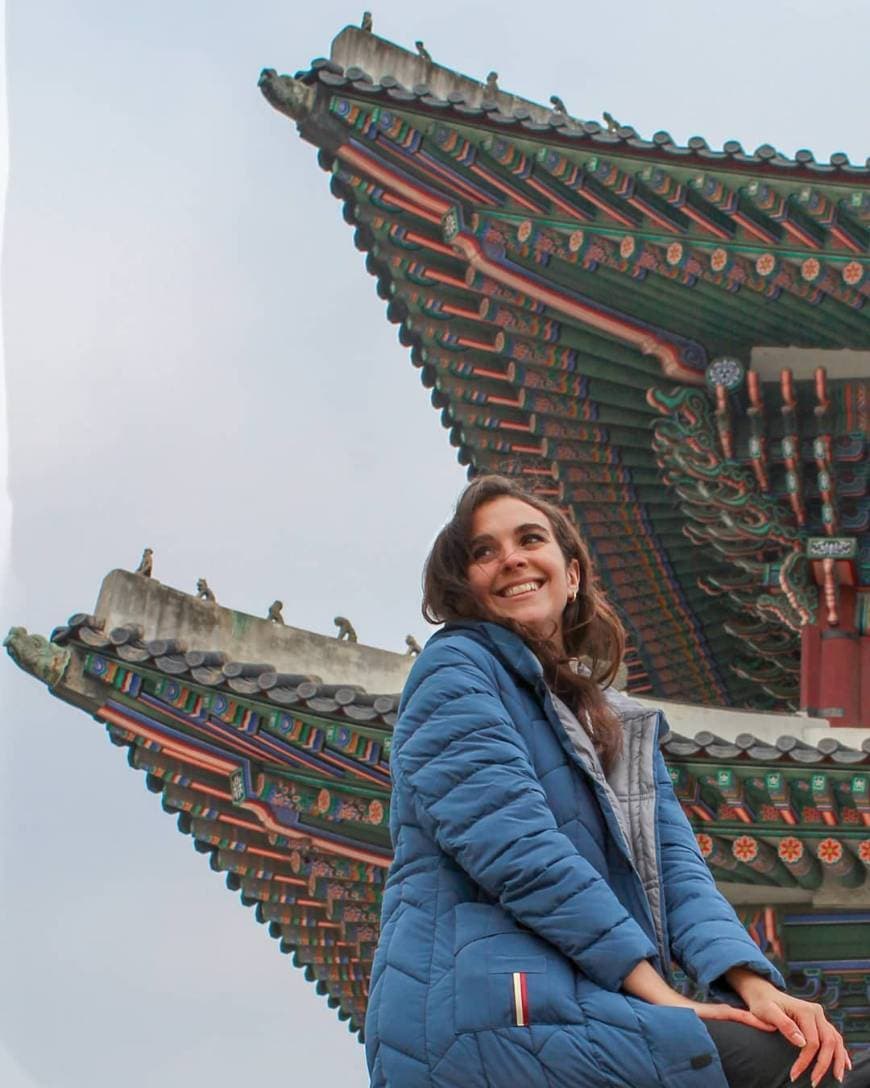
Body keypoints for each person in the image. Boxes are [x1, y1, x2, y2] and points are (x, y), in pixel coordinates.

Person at [365, 475, 866, 1088]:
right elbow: (519, 850)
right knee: (810, 1074)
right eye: (484, 551)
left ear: (572, 573)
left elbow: (676, 869)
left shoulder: (614, 721)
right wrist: (666, 997)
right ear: (464, 585)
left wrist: (753, 985)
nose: (512, 559)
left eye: (530, 539)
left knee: (819, 1056)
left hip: (583, 1003)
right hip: (492, 1012)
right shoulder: (454, 671)